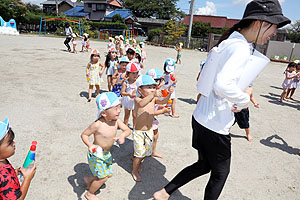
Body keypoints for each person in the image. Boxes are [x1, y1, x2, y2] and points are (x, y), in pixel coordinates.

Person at [154, 0, 290, 199]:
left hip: (201, 118)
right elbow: (222, 84)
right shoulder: (240, 47)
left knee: (203, 165)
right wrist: (243, 99)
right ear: (260, 23)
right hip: (215, 126)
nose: (274, 32)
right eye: (274, 26)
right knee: (220, 173)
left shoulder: (230, 42)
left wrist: (240, 90)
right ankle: (164, 193)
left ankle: (164, 193)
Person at [81, 92, 131, 200]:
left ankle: (89, 180)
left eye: (120, 107)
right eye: (116, 108)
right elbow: (84, 135)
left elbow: (127, 130)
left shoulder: (116, 121)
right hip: (96, 154)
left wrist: (122, 135)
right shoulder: (97, 124)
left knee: (107, 174)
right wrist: (90, 145)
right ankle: (90, 194)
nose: (119, 110)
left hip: (107, 154)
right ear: (104, 113)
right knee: (103, 178)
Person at [132, 75, 174, 182]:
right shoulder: (137, 99)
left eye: (153, 87)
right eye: (149, 87)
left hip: (149, 130)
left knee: (145, 153)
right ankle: (134, 170)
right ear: (140, 90)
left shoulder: (153, 99)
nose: (152, 89)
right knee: (140, 154)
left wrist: (169, 93)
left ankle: (136, 158)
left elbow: (163, 102)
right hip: (139, 132)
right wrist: (153, 95)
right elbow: (142, 104)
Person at [0, 118, 36, 200]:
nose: (14, 143)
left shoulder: (2, 160)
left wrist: (15, 172)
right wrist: (28, 179)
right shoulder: (3, 176)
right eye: (10, 142)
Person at [146, 69, 171, 158]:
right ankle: (136, 155)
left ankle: (153, 151)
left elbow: (158, 103)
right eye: (160, 81)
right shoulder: (148, 95)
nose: (161, 83)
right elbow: (150, 112)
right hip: (147, 120)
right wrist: (162, 111)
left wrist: (169, 95)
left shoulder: (155, 94)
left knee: (155, 135)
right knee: (145, 138)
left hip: (153, 120)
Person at [121, 62, 139, 127]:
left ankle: (134, 127)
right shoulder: (126, 82)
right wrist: (128, 94)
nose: (135, 75)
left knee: (135, 115)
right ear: (128, 73)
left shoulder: (138, 82)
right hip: (128, 100)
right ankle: (125, 126)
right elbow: (122, 92)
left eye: (137, 73)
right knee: (127, 114)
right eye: (133, 73)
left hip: (135, 100)